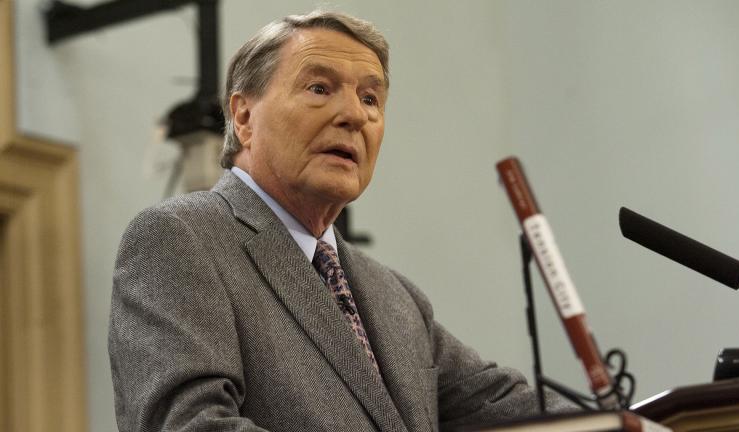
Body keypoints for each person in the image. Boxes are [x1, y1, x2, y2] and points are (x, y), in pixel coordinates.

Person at [109, 10, 571, 432]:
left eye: (370, 98)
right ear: (244, 116)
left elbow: (505, 406)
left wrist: (633, 421)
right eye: (319, 88)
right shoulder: (180, 238)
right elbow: (191, 426)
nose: (354, 115)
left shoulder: (396, 297)